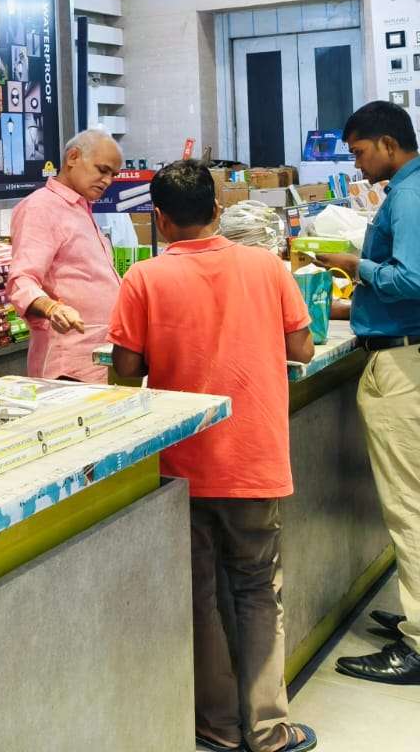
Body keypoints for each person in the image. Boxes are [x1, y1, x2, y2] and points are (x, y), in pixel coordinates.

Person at [109, 161, 316, 752]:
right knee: (257, 588)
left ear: (159, 218)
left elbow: (125, 368)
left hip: (184, 463)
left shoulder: (143, 278)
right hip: (255, 457)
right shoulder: (268, 267)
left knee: (200, 595)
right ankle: (269, 729)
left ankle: (218, 729)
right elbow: (301, 346)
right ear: (218, 211)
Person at [306, 101, 420, 685]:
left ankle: (418, 644)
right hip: (403, 350)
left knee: (409, 506)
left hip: (402, 364)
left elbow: (414, 278)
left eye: (358, 152)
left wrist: (357, 265)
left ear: (387, 143)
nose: (356, 163)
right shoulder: (407, 191)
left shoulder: (409, 195)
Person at [6, 128, 124, 383]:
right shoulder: (40, 207)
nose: (107, 181)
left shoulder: (81, 208)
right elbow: (21, 280)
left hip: (98, 357)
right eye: (102, 170)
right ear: (73, 157)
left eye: (113, 175)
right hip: (68, 365)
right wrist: (51, 308)